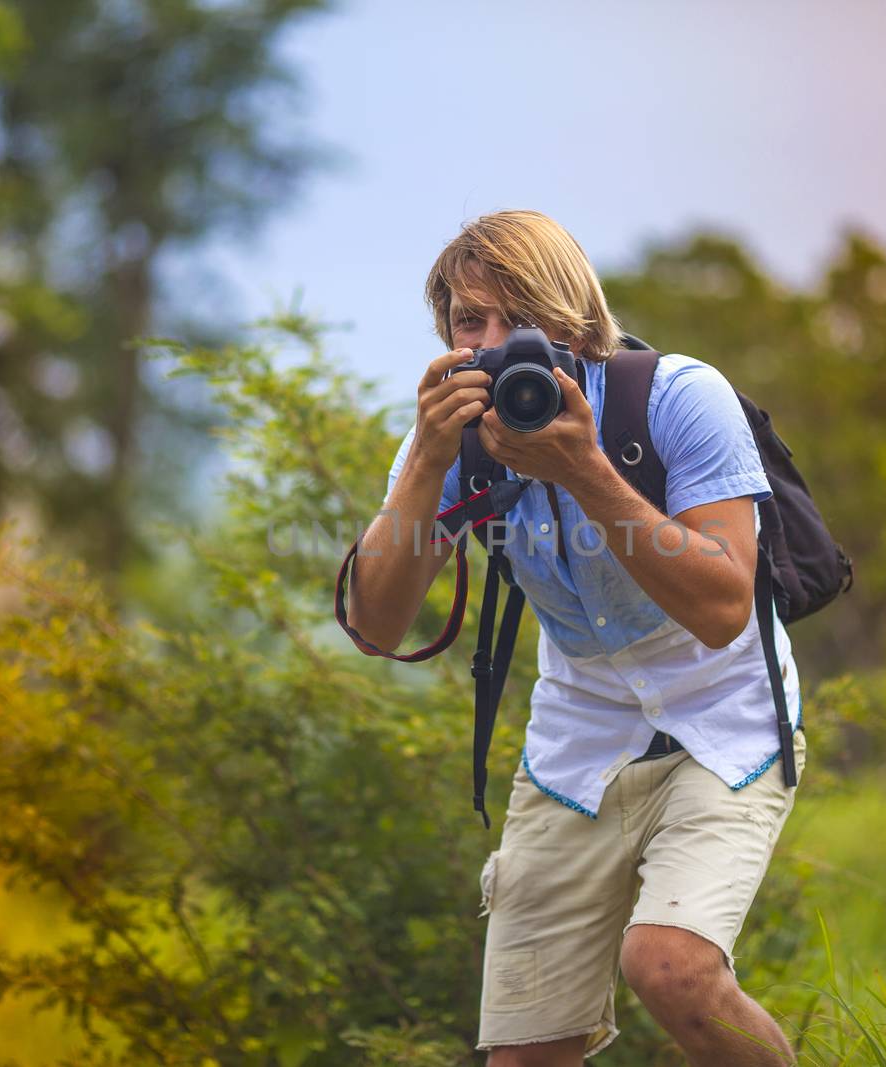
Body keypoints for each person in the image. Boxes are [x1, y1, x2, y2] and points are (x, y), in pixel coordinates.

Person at [345, 210, 805, 1066]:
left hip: (724, 718)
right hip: (578, 736)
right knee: (525, 1055)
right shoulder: (452, 440)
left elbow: (723, 609)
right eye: (468, 322)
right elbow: (376, 626)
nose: (493, 344)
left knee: (671, 966)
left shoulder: (673, 398)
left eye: (518, 318)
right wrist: (426, 465)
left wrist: (585, 472)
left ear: (573, 319)